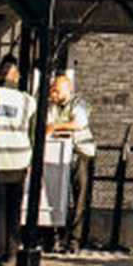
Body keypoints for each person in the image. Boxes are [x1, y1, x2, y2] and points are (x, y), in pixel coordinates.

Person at [0, 59, 34, 266]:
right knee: (14, 209)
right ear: (16, 76)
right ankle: (12, 252)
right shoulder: (27, 100)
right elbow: (32, 131)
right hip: (18, 160)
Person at [45, 73, 95, 253]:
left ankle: (75, 240)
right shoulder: (52, 106)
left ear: (67, 89)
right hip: (56, 153)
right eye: (52, 89)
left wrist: (56, 127)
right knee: (54, 195)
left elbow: (78, 122)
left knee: (79, 197)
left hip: (80, 152)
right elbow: (45, 124)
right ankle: (51, 236)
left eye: (57, 90)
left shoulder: (78, 103)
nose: (54, 93)